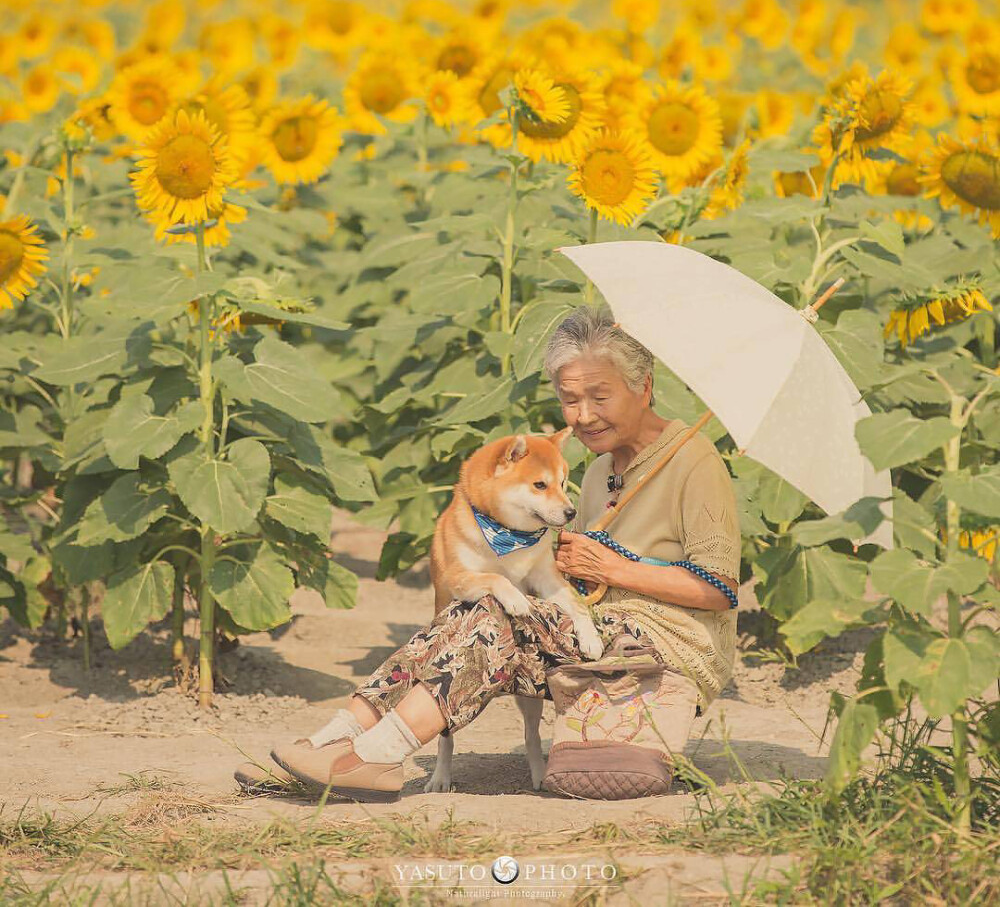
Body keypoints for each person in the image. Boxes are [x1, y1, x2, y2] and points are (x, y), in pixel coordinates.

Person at [234, 304, 741, 800]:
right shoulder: (591, 471)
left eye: (599, 397)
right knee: (464, 610)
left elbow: (717, 592)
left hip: (666, 644)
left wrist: (613, 567)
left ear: (644, 386)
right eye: (569, 399)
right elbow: (580, 580)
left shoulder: (693, 461)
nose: (583, 415)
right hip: (592, 631)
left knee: (493, 616)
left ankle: (377, 755)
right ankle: (334, 742)